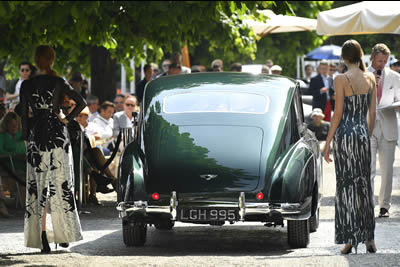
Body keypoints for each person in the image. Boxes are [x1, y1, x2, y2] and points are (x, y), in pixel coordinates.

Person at [19, 45, 86, 253]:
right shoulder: (58, 82)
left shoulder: (27, 85)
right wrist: (67, 119)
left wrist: (26, 138)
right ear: (52, 60)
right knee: (61, 184)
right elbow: (81, 102)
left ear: (36, 61)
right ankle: (63, 233)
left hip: (37, 137)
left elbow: (23, 115)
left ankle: (41, 235)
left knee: (38, 187)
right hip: (58, 135)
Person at [323, 39, 377, 254]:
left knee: (346, 188)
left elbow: (337, 114)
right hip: (362, 136)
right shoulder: (371, 77)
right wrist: (366, 135)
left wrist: (327, 143)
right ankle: (369, 238)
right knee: (364, 186)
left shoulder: (341, 79)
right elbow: (372, 114)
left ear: (344, 58)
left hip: (345, 137)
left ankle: (350, 239)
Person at [368, 43, 400, 218]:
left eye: (385, 61)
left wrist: (395, 105)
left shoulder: (395, 77)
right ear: (372, 57)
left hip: (388, 125)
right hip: (369, 127)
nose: (382, 64)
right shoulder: (362, 75)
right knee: (369, 169)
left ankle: (384, 206)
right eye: (380, 60)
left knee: (387, 170)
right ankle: (368, 204)